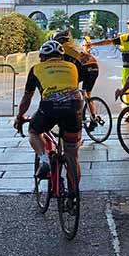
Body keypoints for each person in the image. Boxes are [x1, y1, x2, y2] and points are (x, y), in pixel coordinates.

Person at [14, 40, 83, 192]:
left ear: (43, 57)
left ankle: (44, 160)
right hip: (74, 107)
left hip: (49, 108)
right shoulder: (72, 67)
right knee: (72, 154)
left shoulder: (36, 69)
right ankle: (73, 195)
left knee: (34, 131)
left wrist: (20, 116)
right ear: (61, 57)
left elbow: (27, 98)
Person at [87, 18, 129, 110]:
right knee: (127, 91)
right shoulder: (124, 38)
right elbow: (108, 41)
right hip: (127, 69)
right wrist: (92, 44)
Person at [52, 29, 99, 116]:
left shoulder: (62, 49)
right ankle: (93, 117)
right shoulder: (74, 46)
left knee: (71, 88)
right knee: (87, 94)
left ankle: (76, 112)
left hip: (84, 68)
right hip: (94, 67)